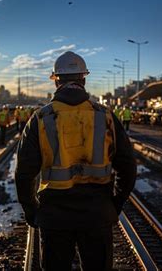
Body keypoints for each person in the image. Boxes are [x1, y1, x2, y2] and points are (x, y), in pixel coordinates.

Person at [15, 51, 136, 270]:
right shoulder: (105, 115)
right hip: (97, 214)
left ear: (56, 81)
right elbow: (127, 167)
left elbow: (24, 174)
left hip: (55, 217)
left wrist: (32, 211)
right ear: (84, 79)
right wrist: (114, 204)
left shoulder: (40, 118)